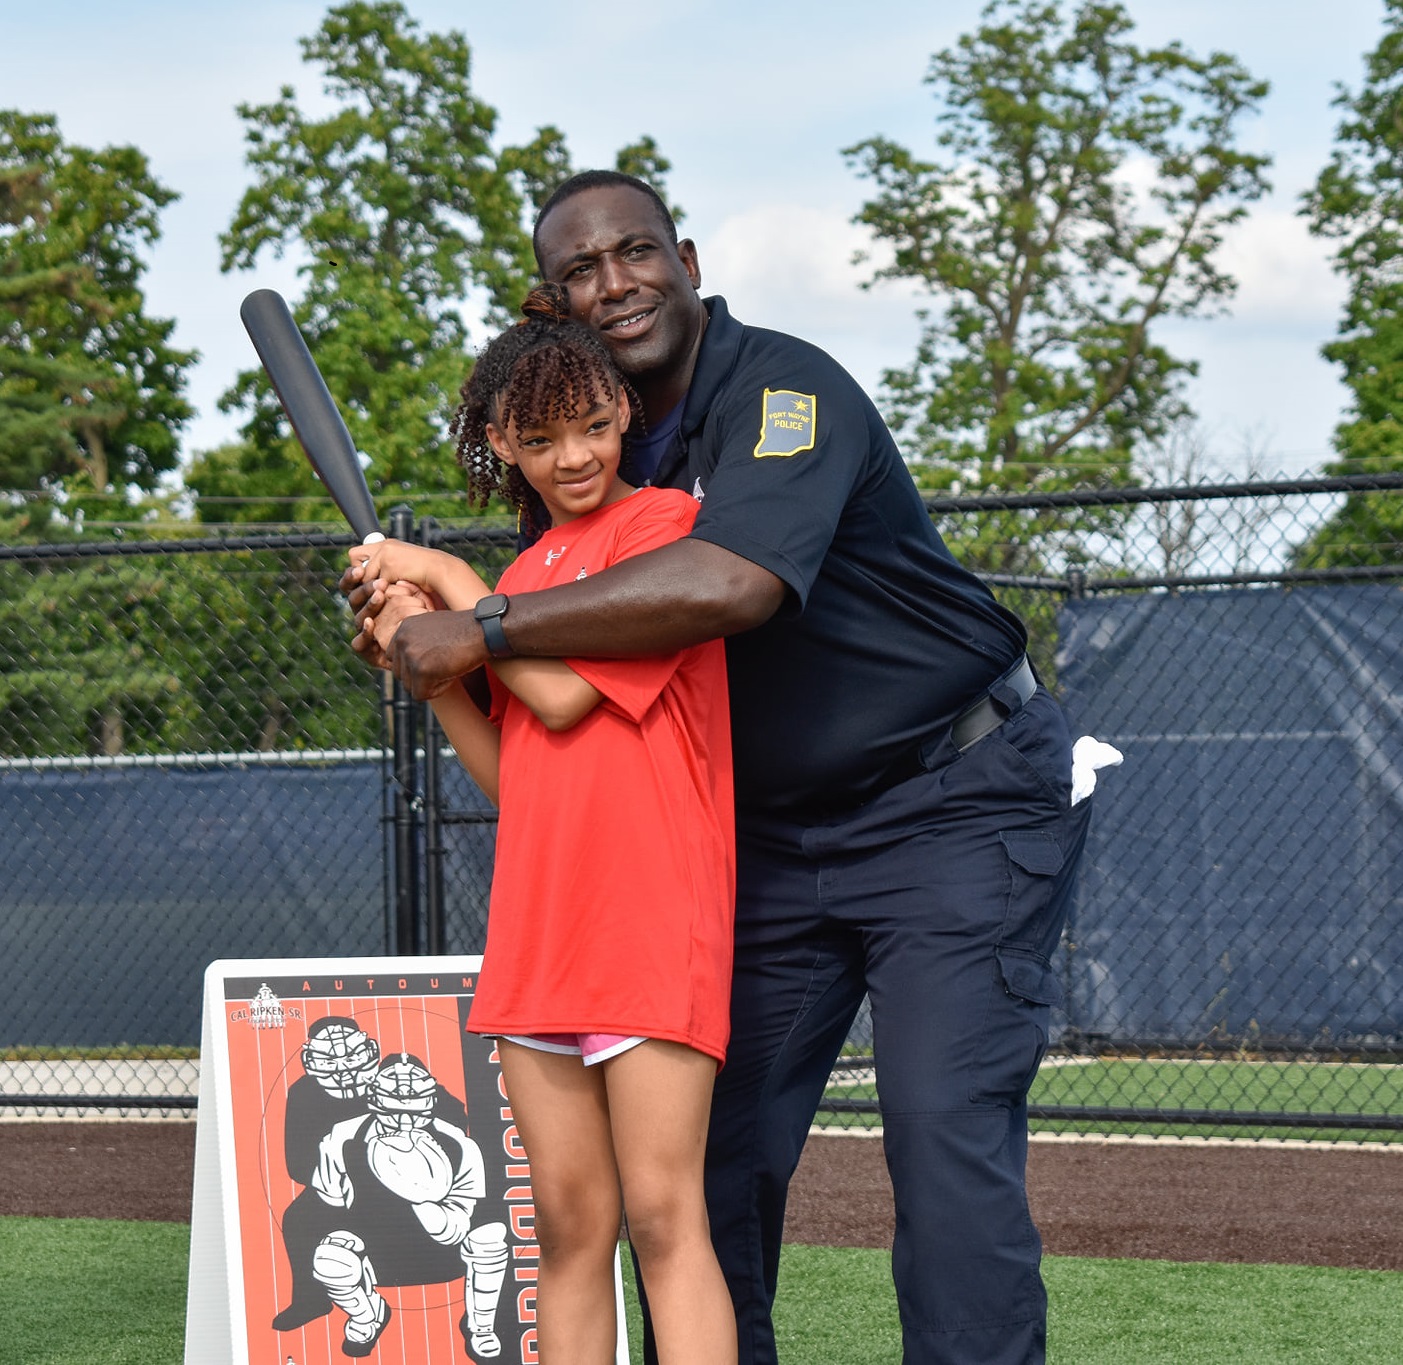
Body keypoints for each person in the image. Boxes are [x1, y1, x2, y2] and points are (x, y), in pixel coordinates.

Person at [347, 172, 1094, 1365]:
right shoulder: (591, 488)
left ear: (685, 260)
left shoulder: (784, 388)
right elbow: (550, 719)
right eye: (581, 272)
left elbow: (730, 582)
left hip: (951, 799)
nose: (615, 283)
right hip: (758, 843)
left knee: (938, 1130)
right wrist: (434, 640)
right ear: (554, 309)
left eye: (635, 253)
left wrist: (473, 624)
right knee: (714, 1163)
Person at [346, 281, 738, 1365]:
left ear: (625, 412)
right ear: (501, 446)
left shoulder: (665, 531)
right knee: (568, 1230)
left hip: (649, 921)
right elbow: (522, 773)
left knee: (664, 1218)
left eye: (594, 425)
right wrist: (425, 668)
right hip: (540, 931)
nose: (573, 456)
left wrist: (453, 591)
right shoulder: (523, 576)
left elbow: (564, 694)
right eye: (539, 437)